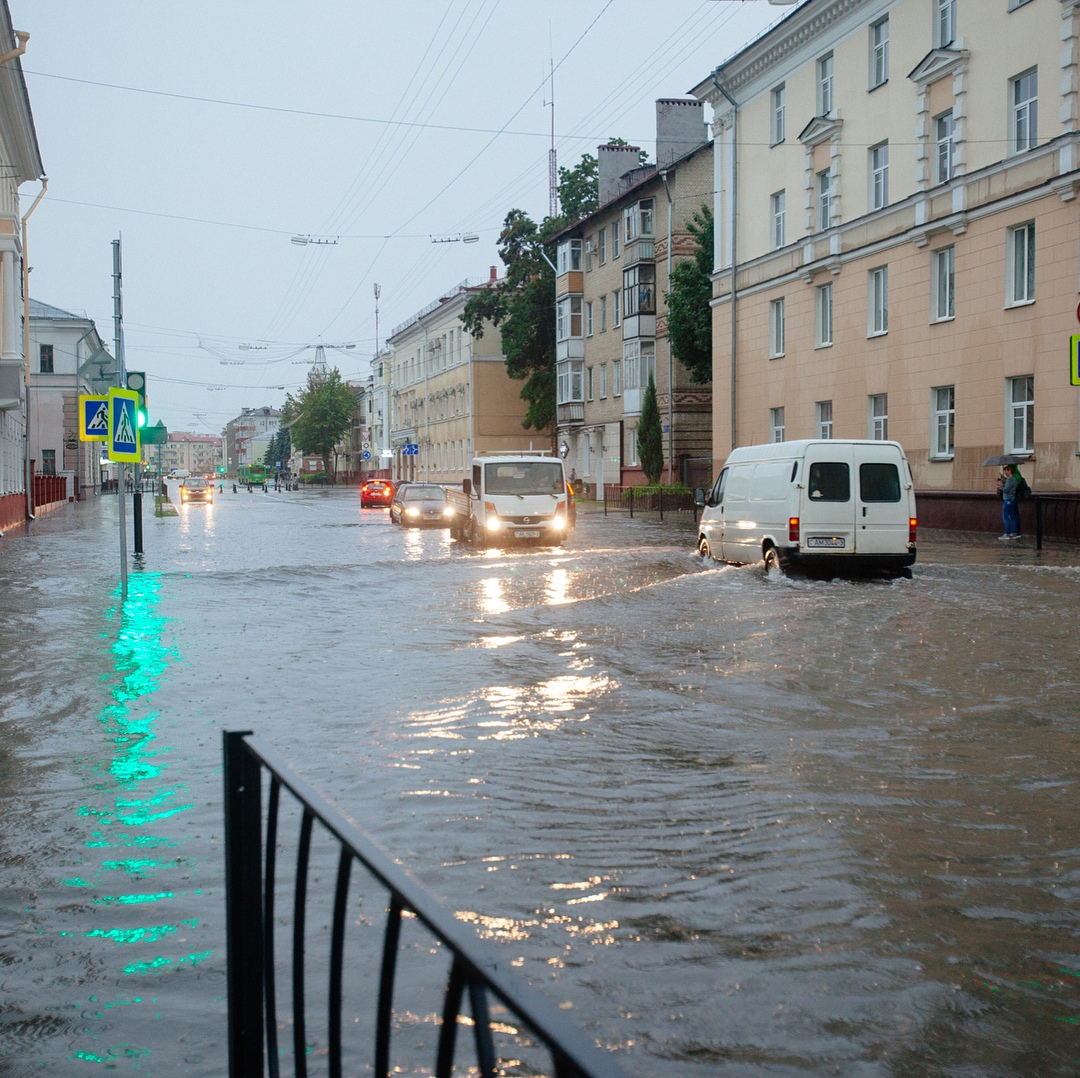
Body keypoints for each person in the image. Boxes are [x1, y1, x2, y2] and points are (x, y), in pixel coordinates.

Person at [998, 464, 1021, 539]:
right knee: (1013, 516)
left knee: (1006, 517)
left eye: (1006, 471)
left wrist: (1000, 485)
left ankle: (1007, 533)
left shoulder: (1010, 479)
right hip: (1012, 499)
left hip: (1008, 499)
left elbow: (1006, 489)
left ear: (1009, 470)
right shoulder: (1014, 479)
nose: (1005, 473)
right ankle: (1014, 533)